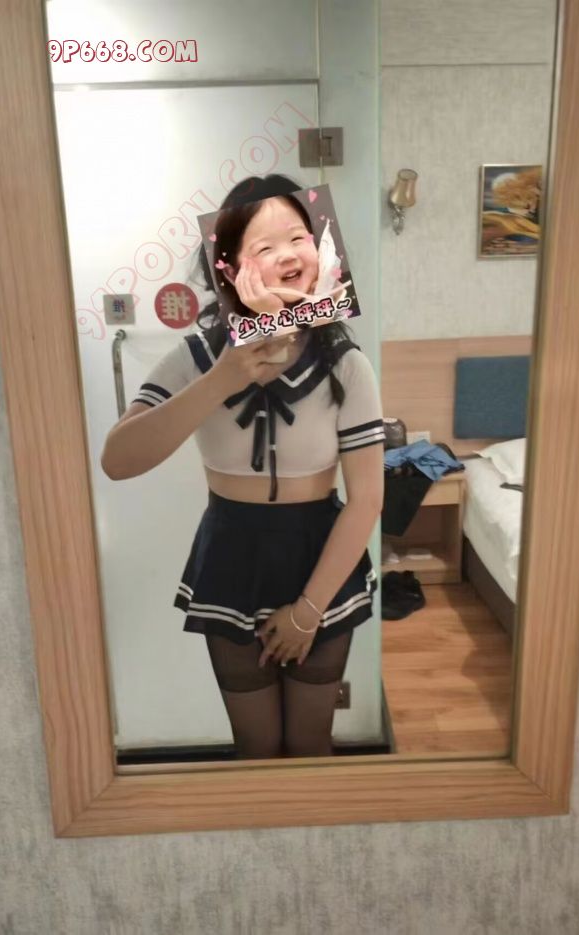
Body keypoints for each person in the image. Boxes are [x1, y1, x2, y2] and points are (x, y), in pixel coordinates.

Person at [100, 173, 385, 760]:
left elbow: (367, 499)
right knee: (255, 746)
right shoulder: (196, 359)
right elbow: (118, 460)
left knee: (309, 742)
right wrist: (223, 378)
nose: (285, 256)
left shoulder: (345, 364)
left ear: (322, 250)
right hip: (233, 553)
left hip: (321, 553)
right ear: (227, 266)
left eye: (298, 238)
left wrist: (308, 613)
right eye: (262, 245)